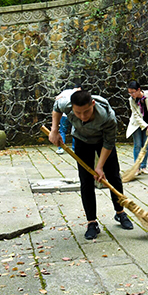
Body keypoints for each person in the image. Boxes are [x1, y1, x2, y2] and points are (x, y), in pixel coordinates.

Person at [48, 90, 133, 240]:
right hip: (82, 140)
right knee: (86, 181)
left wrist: (99, 167)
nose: (82, 116)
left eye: (86, 112)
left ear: (92, 104)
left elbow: (108, 143)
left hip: (103, 142)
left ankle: (120, 213)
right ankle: (92, 222)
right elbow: (56, 107)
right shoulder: (66, 104)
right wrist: (54, 130)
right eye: (78, 113)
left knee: (113, 177)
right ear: (72, 107)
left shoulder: (107, 117)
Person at [55, 84, 81, 154]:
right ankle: (74, 148)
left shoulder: (66, 92)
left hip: (64, 114)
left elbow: (57, 98)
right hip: (74, 115)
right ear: (79, 88)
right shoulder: (79, 94)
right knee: (75, 132)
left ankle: (61, 148)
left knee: (62, 131)